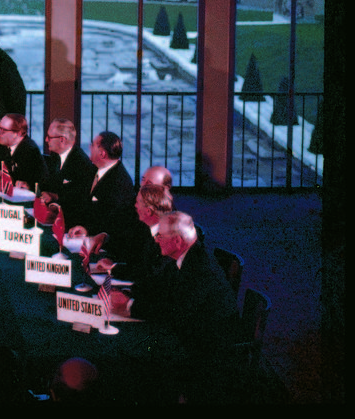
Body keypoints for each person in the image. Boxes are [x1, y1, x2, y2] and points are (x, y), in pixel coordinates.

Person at [109, 212, 237, 402]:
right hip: (188, 333)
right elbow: (158, 285)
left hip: (202, 350)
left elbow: (174, 313)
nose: (155, 239)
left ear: (177, 241)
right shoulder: (188, 256)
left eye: (160, 235)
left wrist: (129, 305)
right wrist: (129, 292)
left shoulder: (199, 269)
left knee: (128, 357)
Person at [67, 131, 135, 240]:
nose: (89, 147)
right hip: (76, 233)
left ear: (102, 153)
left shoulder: (120, 182)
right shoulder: (92, 170)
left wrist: (86, 230)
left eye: (93, 145)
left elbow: (112, 220)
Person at [97, 183, 173, 281]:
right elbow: (132, 252)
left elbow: (150, 273)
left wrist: (113, 268)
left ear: (148, 211)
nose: (135, 206)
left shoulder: (168, 238)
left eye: (137, 202)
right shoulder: (146, 228)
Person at [40, 118, 96, 224]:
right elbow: (50, 183)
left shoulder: (82, 165)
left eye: (50, 137)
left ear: (62, 140)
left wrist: (54, 197)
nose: (46, 140)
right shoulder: (55, 155)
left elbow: (77, 201)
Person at [0, 113, 47, 191]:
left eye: (3, 130)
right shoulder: (0, 143)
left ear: (18, 133)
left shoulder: (30, 150)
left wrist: (0, 176)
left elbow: (20, 180)